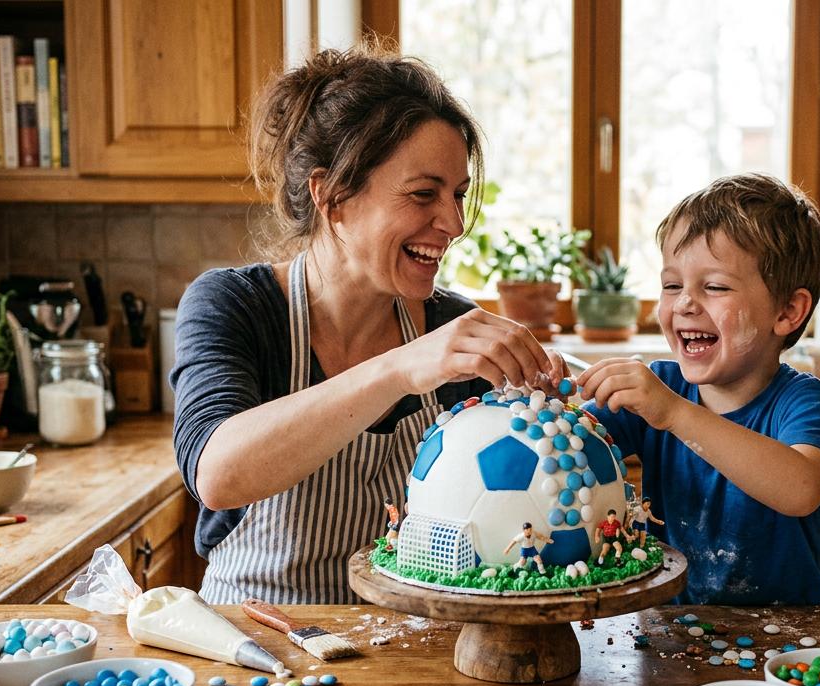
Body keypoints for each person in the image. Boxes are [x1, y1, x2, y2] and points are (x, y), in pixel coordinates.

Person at [171, 45, 564, 604]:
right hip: (257, 648)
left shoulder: (450, 328)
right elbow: (217, 472)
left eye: (458, 196)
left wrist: (550, 412)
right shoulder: (233, 305)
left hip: (411, 652)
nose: (452, 223)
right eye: (423, 194)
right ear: (332, 198)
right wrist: (401, 368)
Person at [577, 173, 820, 605]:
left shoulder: (803, 401)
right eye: (671, 285)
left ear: (788, 311)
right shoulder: (660, 388)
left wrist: (674, 414)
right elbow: (570, 442)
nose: (684, 302)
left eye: (715, 286)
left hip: (787, 644)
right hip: (668, 638)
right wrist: (546, 397)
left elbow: (801, 489)